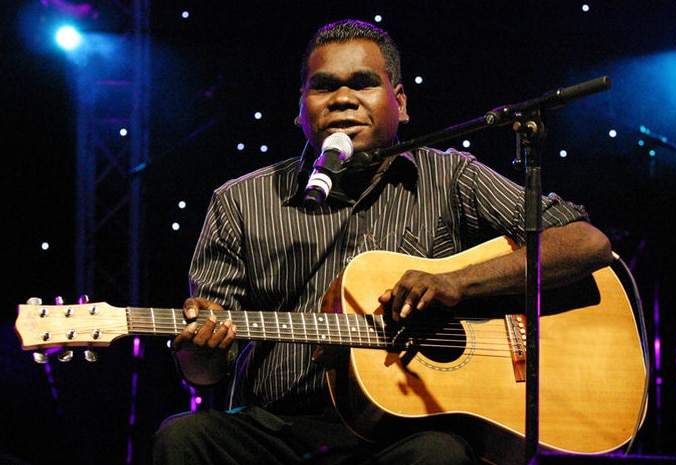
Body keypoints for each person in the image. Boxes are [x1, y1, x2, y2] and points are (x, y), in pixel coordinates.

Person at [151, 19, 613, 465]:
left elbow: (585, 243)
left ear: (401, 103)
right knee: (184, 436)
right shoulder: (240, 201)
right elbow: (204, 372)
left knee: (441, 455)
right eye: (324, 86)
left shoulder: (451, 177)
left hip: (406, 433)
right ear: (301, 108)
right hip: (277, 430)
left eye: (363, 83)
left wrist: (458, 281)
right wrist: (199, 349)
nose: (343, 99)